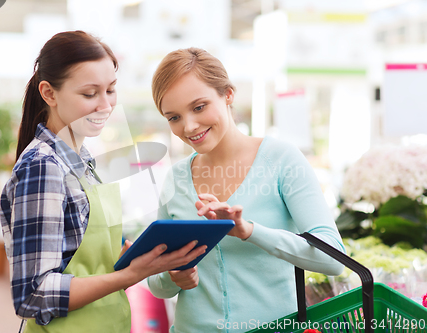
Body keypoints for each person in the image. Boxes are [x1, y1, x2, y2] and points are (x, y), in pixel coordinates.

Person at [0, 31, 207, 333]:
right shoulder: (43, 168)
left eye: (111, 90)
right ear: (49, 93)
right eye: (89, 94)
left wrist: (137, 258)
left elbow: (82, 261)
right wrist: (129, 275)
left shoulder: (83, 161)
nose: (105, 105)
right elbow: (33, 296)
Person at [148, 47, 346, 332]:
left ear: (227, 94)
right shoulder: (175, 179)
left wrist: (249, 231)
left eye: (199, 107)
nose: (189, 126)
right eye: (174, 117)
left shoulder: (281, 160)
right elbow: (158, 285)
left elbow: (332, 258)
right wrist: (173, 276)